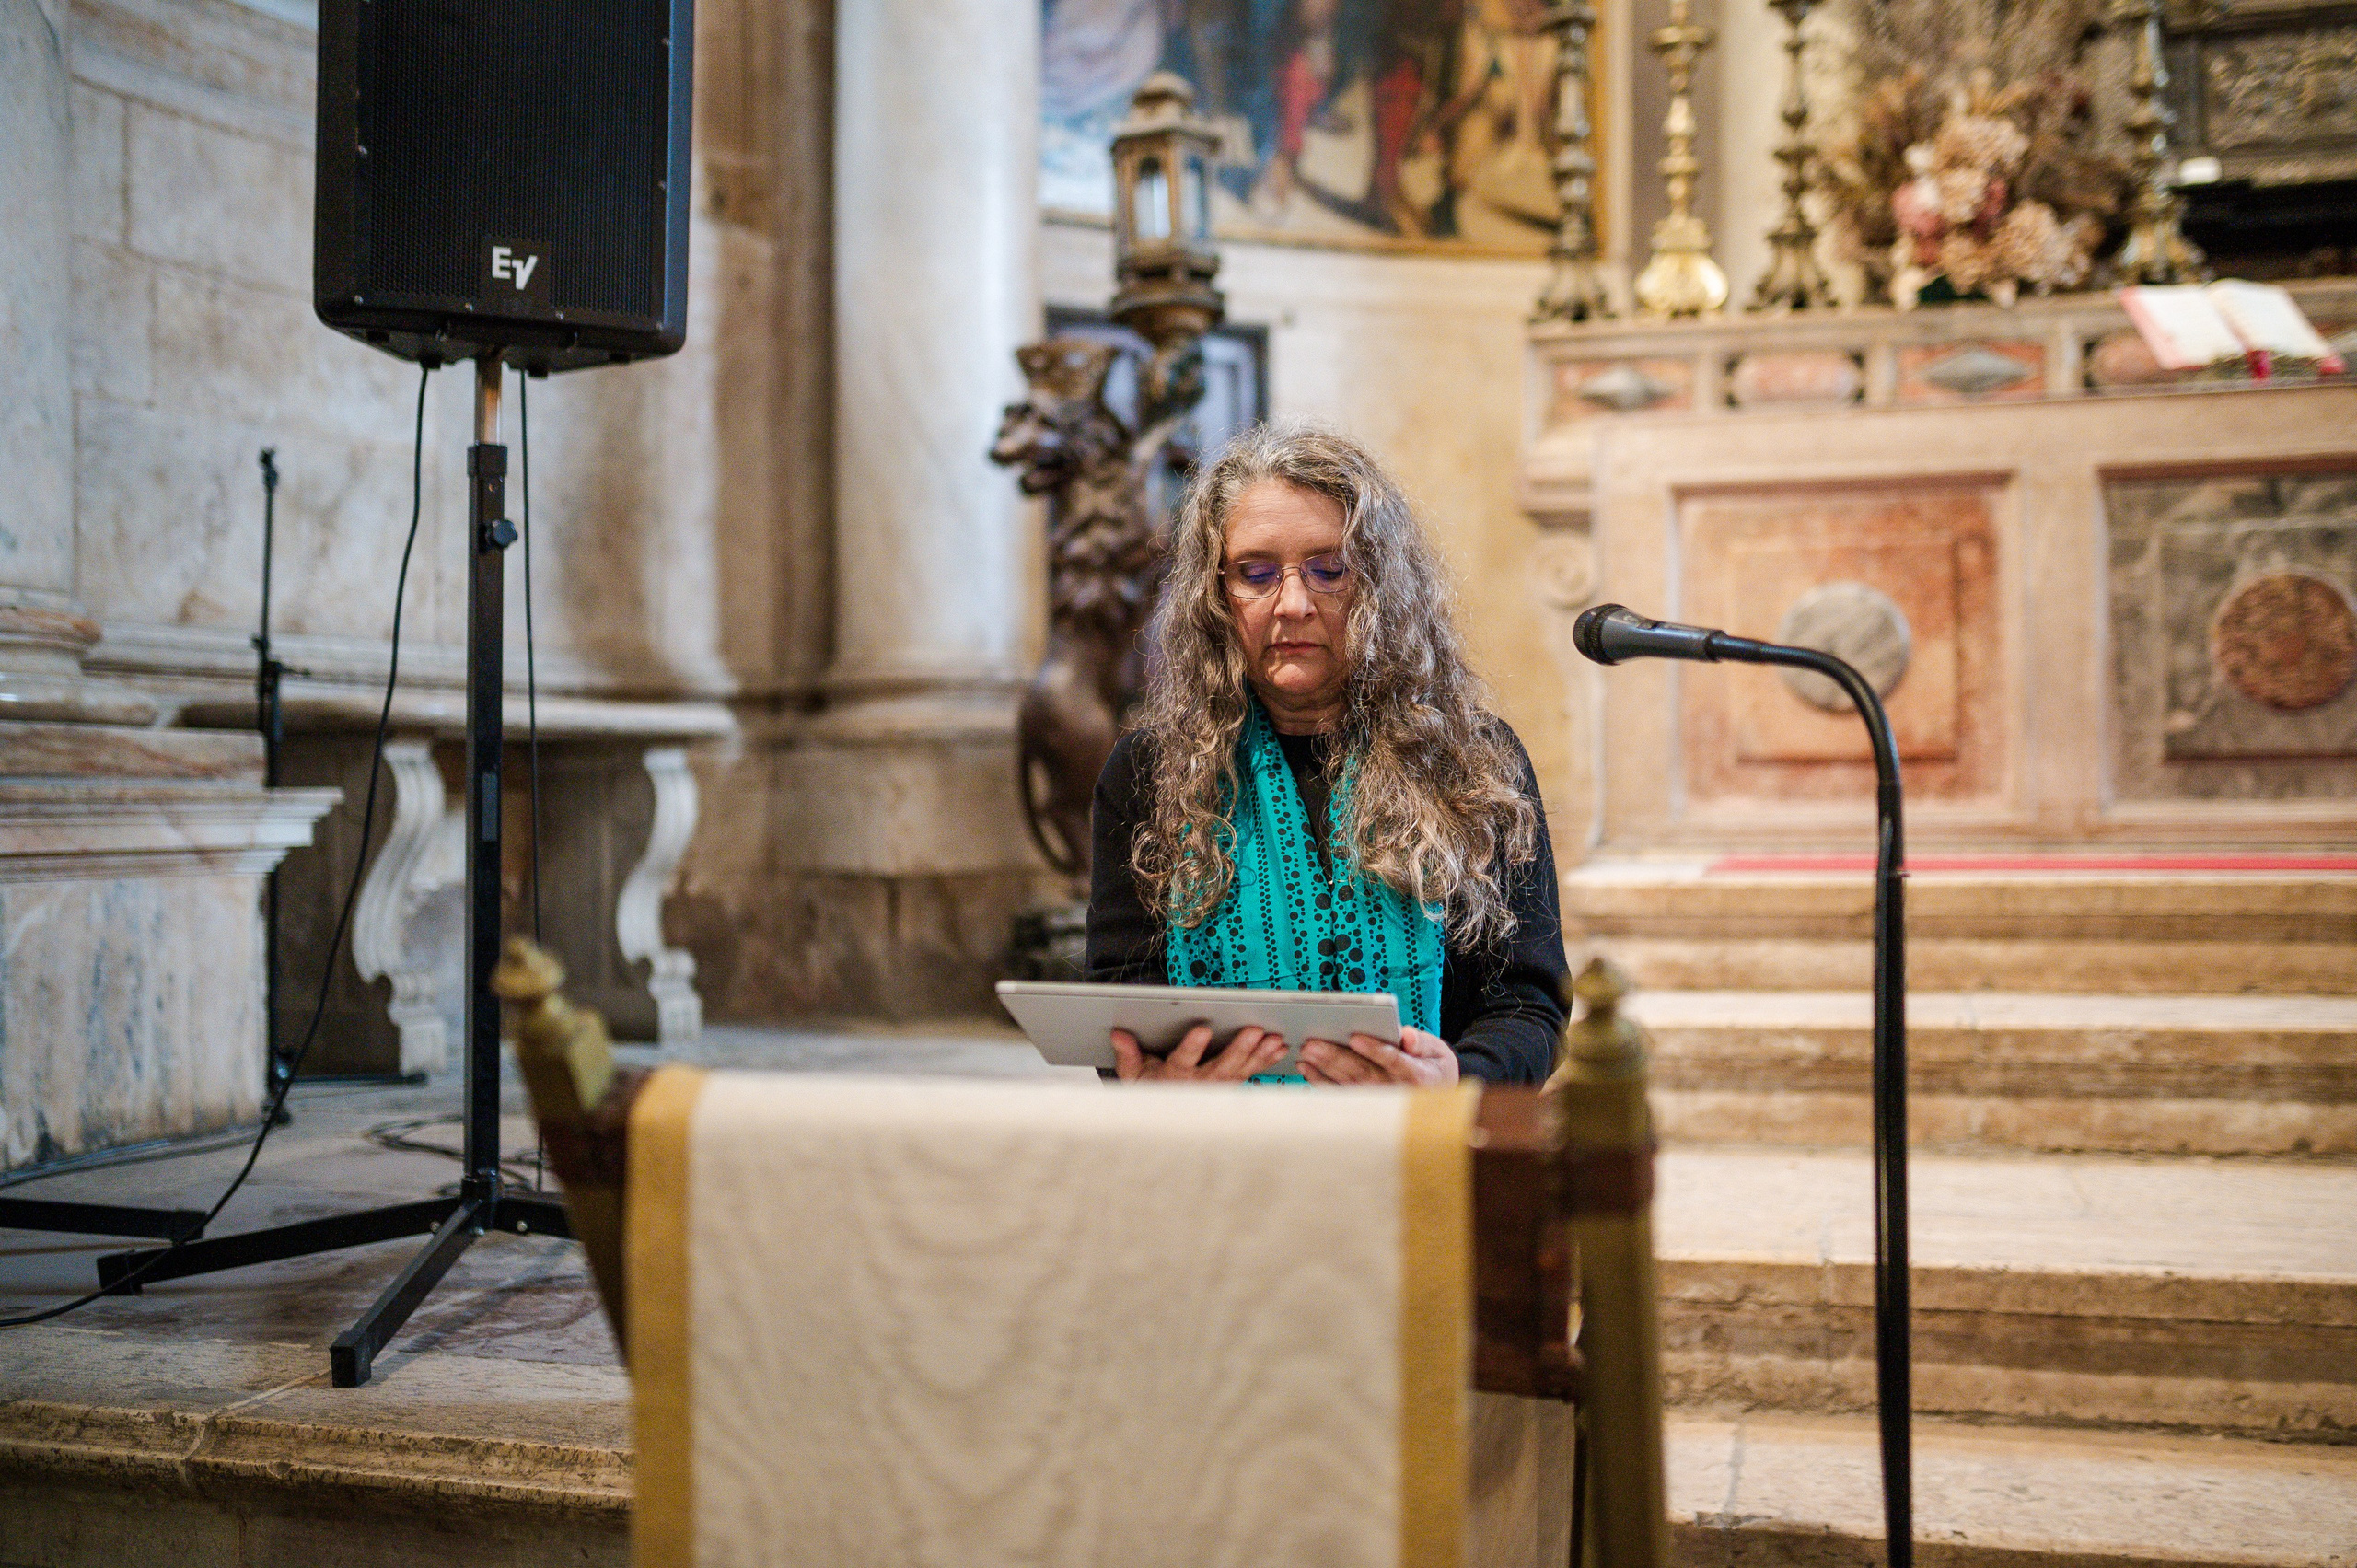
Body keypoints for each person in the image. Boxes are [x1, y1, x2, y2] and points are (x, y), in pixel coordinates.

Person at [1086, 424, 1568, 1086]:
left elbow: (1529, 1004)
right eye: (1256, 573)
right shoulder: (1149, 773)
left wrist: (1457, 1077)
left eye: (1328, 569)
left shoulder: (1475, 761)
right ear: (1215, 596)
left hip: (1413, 1152)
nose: (1293, 603)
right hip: (1221, 1162)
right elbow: (1120, 1006)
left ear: (1378, 583)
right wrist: (1159, 1082)